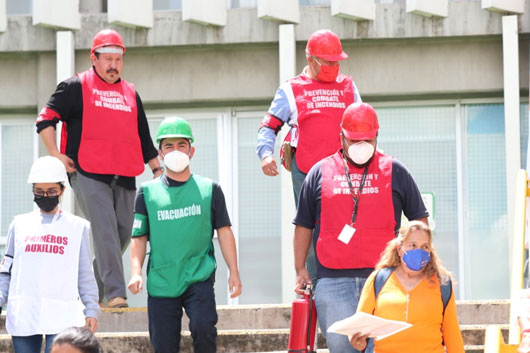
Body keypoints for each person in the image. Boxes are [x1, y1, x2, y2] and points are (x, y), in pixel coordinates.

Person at [35, 28, 162, 308]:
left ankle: (85, 291)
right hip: (88, 172)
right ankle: (115, 294)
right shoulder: (75, 86)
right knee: (104, 230)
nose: (113, 65)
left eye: (118, 59)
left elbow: (143, 134)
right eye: (107, 59)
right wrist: (56, 154)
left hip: (126, 173)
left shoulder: (130, 92)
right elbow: (45, 120)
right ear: (94, 58)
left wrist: (156, 168)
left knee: (125, 230)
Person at [293, 102, 429, 353]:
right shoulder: (319, 172)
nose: (361, 146)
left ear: (377, 136)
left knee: (384, 349)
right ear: (341, 137)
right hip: (333, 280)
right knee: (341, 348)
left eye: (367, 140)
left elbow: (420, 220)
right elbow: (303, 224)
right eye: (354, 140)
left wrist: (420, 262)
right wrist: (301, 268)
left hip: (385, 279)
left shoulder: (395, 170)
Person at [128, 116, 242, 353]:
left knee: (203, 326)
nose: (175, 150)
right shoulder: (147, 193)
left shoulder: (209, 189)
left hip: (197, 276)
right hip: (162, 281)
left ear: (192, 151)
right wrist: (136, 272)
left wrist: (234, 271)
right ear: (160, 152)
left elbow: (224, 231)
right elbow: (139, 237)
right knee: (164, 345)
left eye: (182, 145)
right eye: (168, 145)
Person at [0, 156, 99, 353]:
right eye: (39, 191)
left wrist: (91, 309)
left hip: (62, 312)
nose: (45, 196)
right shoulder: (19, 225)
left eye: (51, 191)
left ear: (62, 190)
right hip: (25, 312)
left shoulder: (77, 227)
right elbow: (6, 270)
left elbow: (85, 273)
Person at [257, 28, 362, 205]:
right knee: (309, 224)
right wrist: (266, 154)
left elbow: (362, 125)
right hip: (306, 170)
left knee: (343, 222)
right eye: (328, 63)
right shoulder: (291, 89)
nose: (333, 67)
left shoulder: (348, 86)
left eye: (336, 63)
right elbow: (269, 126)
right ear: (311, 61)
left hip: (344, 171)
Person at [349, 221, 464, 353]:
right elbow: (358, 327)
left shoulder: (442, 283)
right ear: (399, 248)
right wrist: (358, 341)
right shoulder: (378, 279)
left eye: (425, 246)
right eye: (412, 245)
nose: (419, 251)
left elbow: (453, 335)